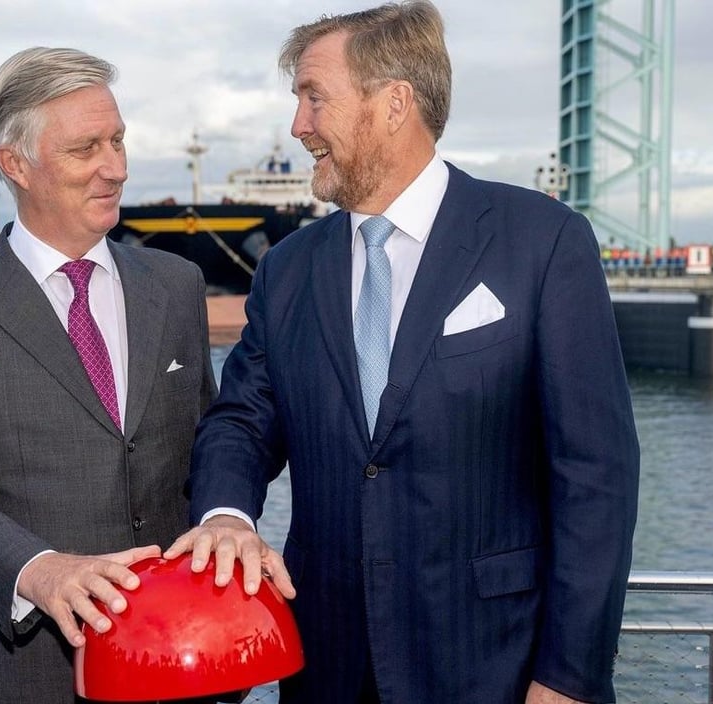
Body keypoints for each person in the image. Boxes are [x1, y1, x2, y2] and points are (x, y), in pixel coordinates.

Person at [164, 2, 640, 703]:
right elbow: (241, 419)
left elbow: (595, 476)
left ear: (394, 103)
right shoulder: (287, 269)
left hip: (496, 668)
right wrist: (228, 516)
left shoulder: (542, 240)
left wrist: (567, 677)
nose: (299, 126)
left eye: (313, 98)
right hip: (325, 666)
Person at [0, 47, 216, 703]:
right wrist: (38, 571)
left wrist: (230, 521)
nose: (115, 168)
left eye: (118, 141)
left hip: (180, 663)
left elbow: (209, 445)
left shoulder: (178, 286)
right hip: (21, 672)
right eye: (85, 148)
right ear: (16, 164)